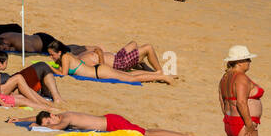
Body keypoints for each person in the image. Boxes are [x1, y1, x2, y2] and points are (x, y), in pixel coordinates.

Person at [15, 110, 198, 136]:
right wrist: (21, 119)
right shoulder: (60, 115)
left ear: (53, 116)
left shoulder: (65, 118)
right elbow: (42, 115)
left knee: (147, 133)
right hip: (110, 121)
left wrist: (32, 125)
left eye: (49, 121)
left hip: (112, 124)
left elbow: (57, 128)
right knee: (145, 131)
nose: (50, 124)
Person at [46, 40, 175, 84]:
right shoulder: (68, 57)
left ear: (59, 52)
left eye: (52, 55)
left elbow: (63, 74)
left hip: (107, 68)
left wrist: (49, 68)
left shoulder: (66, 58)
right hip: (103, 68)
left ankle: (161, 74)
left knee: (132, 78)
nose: (51, 57)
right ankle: (159, 74)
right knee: (131, 76)